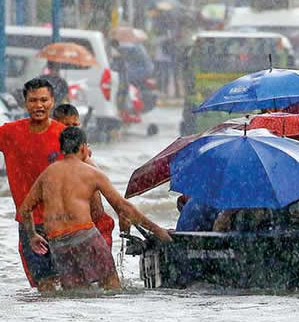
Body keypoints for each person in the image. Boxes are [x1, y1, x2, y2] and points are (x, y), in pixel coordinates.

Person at [18, 126, 172, 291]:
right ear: (83, 147)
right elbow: (123, 207)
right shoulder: (92, 173)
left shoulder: (47, 174)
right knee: (112, 286)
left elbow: (24, 210)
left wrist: (32, 235)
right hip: (85, 236)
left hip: (58, 243)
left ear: (62, 149)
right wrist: (157, 230)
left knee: (75, 293)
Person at [0, 78, 66, 291]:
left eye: (44, 100)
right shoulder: (9, 133)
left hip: (62, 221)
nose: (39, 105)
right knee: (44, 287)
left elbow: (83, 173)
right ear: (25, 103)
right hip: (29, 224)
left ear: (53, 101)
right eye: (33, 100)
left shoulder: (64, 135)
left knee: (68, 285)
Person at [52, 104, 120, 248]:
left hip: (96, 225)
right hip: (74, 228)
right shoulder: (54, 155)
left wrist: (121, 210)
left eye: (74, 125)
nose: (71, 129)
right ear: (54, 126)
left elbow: (102, 183)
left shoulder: (83, 154)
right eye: (66, 125)